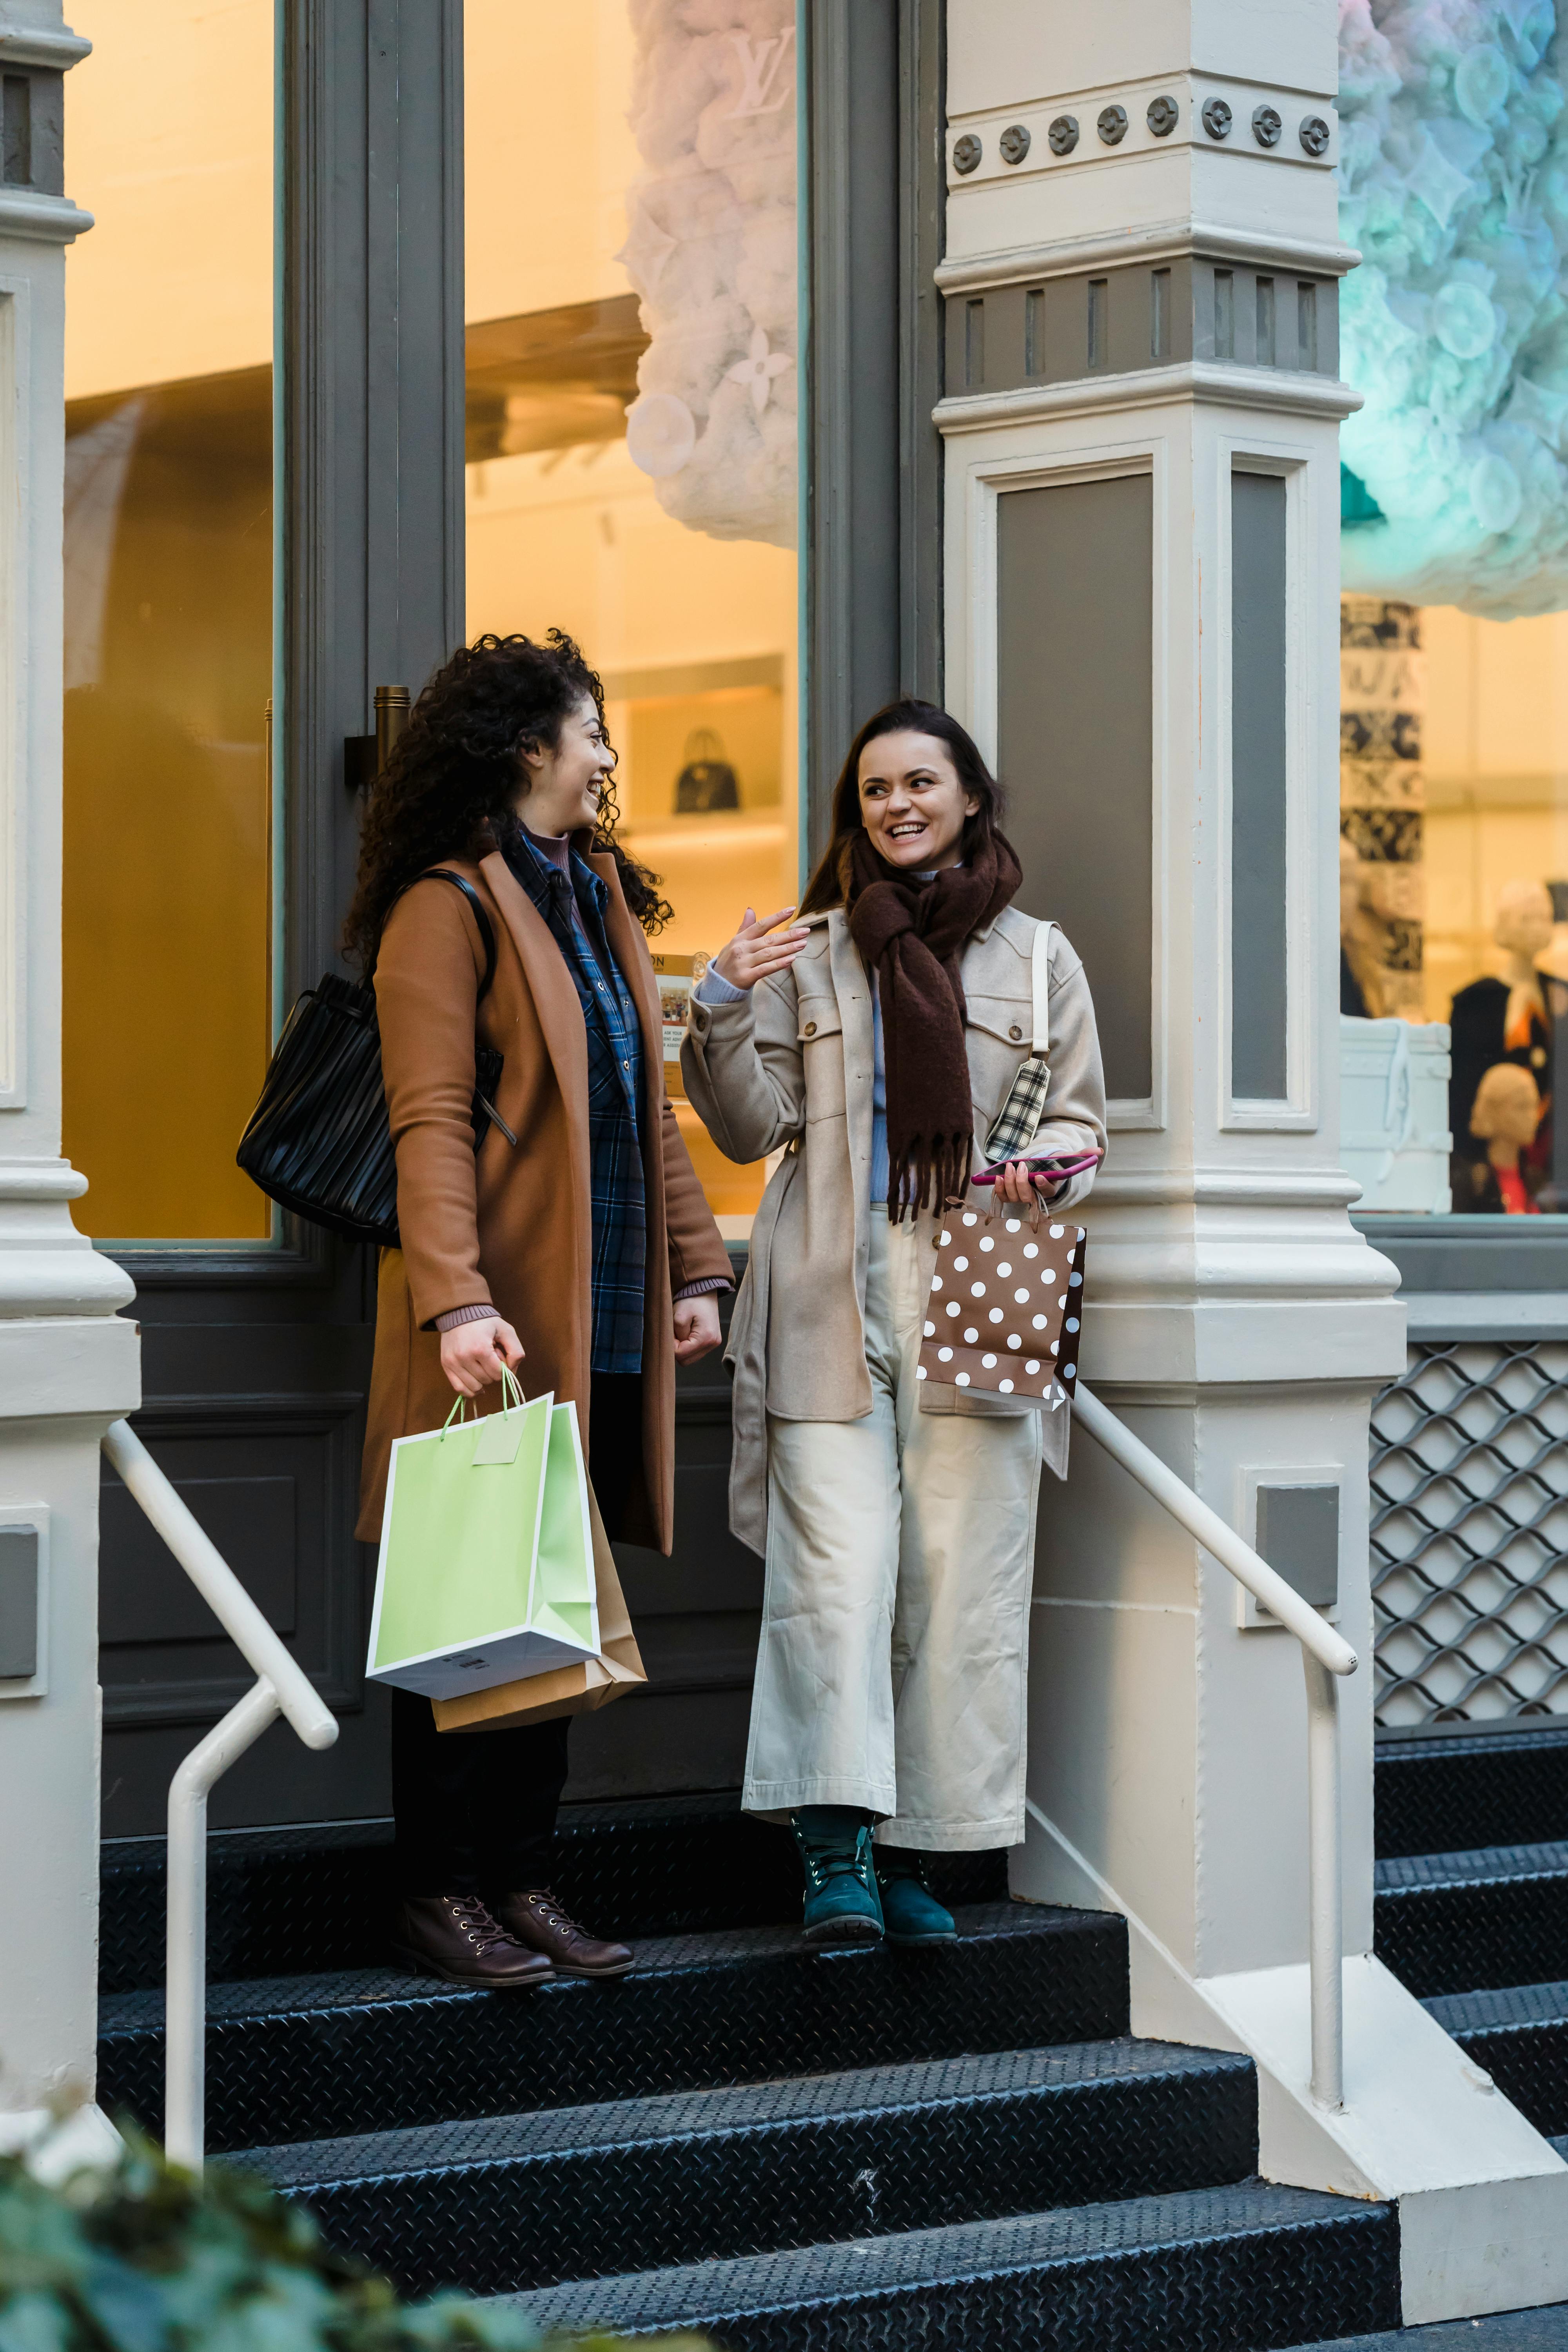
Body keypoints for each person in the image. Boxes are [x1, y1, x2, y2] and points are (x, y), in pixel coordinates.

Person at [681, 699, 1106, 1949]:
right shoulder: (810, 951)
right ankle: (833, 1853)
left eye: (921, 782)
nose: (897, 805)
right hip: (824, 1278)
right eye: (874, 790)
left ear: (971, 797)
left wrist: (1053, 1171)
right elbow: (750, 1127)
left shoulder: (1038, 960)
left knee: (956, 1571)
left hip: (978, 1270)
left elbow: (1080, 1124)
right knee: (838, 1568)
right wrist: (715, 1005)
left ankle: (918, 1850)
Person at [345, 630, 732, 1989]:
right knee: (467, 1593)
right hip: (493, 1316)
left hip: (601, 1302)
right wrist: (452, 1302)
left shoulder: (600, 896)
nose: (608, 757)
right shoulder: (443, 907)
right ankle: (434, 1891)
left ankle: (519, 1877)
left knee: (555, 1592)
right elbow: (428, 1123)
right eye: (592, 733)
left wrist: (698, 1267)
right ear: (530, 750)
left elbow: (651, 1104)